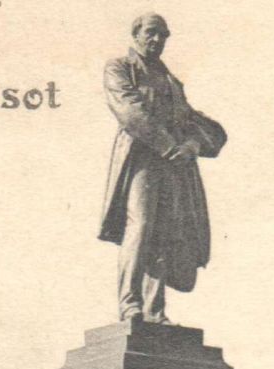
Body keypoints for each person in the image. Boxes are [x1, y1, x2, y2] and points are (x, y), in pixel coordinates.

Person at [101, 13, 228, 324]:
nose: (157, 40)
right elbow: (130, 111)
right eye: (151, 33)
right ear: (136, 33)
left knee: (165, 233)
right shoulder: (120, 68)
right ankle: (130, 304)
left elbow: (202, 127)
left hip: (173, 168)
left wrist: (193, 146)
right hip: (142, 160)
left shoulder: (172, 83)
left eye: (163, 35)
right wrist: (169, 146)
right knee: (141, 226)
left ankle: (154, 310)